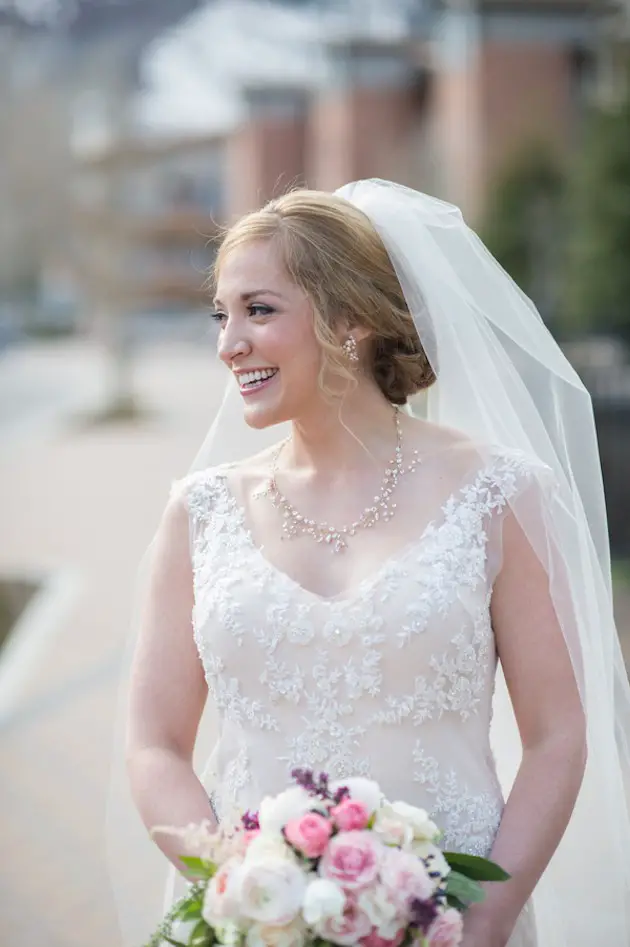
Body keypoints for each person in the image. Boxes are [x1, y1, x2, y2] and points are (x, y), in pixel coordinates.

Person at [113, 181, 630, 947]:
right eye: (221, 315)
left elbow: (557, 735)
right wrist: (245, 890)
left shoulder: (498, 493)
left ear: (350, 318)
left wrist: (482, 921)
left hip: (450, 923)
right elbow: (154, 740)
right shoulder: (201, 511)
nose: (229, 343)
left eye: (259, 310)